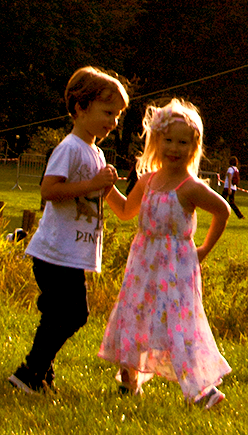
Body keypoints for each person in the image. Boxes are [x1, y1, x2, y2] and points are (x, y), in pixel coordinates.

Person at [98, 98, 231, 408]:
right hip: (143, 261)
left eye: (182, 142)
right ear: (156, 142)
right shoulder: (148, 181)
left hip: (177, 266)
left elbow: (222, 211)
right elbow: (127, 211)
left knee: (179, 325)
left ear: (194, 146)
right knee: (135, 313)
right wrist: (106, 188)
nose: (174, 148)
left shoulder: (190, 186)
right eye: (168, 140)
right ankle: (128, 379)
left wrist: (204, 249)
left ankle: (201, 387)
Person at [9, 66, 130, 395]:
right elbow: (48, 190)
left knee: (59, 314)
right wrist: (92, 183)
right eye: (107, 112)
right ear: (80, 108)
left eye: (117, 116)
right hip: (54, 251)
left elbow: (119, 206)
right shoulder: (70, 147)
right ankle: (30, 372)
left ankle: (40, 374)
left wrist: (148, 192)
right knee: (74, 313)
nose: (113, 122)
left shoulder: (96, 152)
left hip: (72, 252)